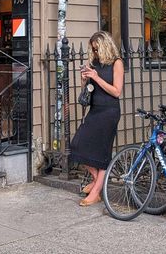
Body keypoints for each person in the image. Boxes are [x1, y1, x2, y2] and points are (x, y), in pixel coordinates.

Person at [70, 31, 124, 206]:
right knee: (77, 145)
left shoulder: (117, 63)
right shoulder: (94, 63)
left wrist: (96, 77)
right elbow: (87, 90)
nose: (94, 52)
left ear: (105, 46)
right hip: (95, 110)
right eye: (93, 50)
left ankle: (96, 192)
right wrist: (85, 79)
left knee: (102, 152)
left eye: (97, 49)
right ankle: (96, 180)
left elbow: (116, 91)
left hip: (109, 112)